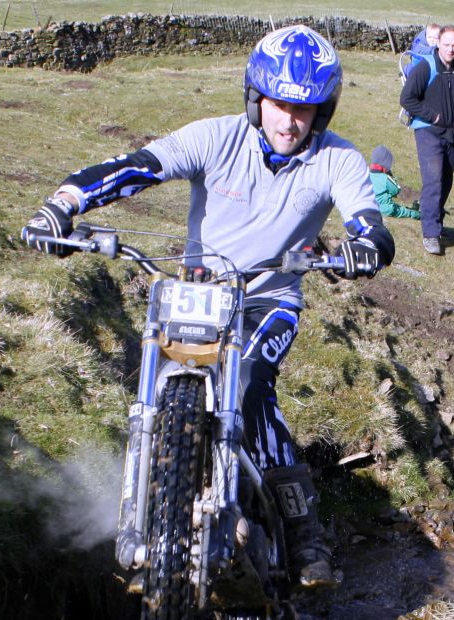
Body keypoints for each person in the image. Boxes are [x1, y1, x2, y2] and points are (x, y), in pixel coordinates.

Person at [21, 25, 395, 588]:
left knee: (249, 382)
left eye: (304, 109)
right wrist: (64, 204)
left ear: (323, 111)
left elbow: (367, 219)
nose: (289, 121)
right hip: (200, 291)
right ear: (255, 98)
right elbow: (139, 166)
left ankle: (304, 533)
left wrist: (366, 245)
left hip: (269, 297)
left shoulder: (338, 159)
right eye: (279, 105)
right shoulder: (216, 137)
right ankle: (151, 510)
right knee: (153, 377)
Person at [398, 24, 454, 255]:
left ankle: (437, 223)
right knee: (433, 181)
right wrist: (433, 116)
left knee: (446, 180)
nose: (451, 49)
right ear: (438, 43)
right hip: (428, 131)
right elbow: (407, 98)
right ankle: (431, 234)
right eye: (447, 44)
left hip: (453, 132)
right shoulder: (426, 66)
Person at [368, 145, 421, 220]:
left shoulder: (367, 175)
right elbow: (396, 190)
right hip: (387, 209)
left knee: (400, 208)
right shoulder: (385, 178)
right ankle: (418, 215)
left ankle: (413, 209)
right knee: (404, 211)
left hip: (372, 206)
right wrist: (391, 176)